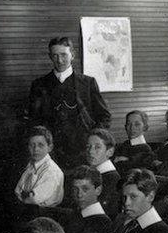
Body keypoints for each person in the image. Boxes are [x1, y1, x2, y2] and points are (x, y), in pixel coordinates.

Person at [27, 36, 111, 167]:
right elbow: (34, 121)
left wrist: (93, 142)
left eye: (63, 55)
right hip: (51, 154)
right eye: (55, 56)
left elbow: (104, 117)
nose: (59, 60)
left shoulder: (88, 83)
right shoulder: (39, 85)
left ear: (73, 55)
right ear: (50, 56)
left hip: (83, 153)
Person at [64, 166, 113, 233]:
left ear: (98, 190)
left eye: (85, 189)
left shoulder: (102, 222)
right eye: (75, 189)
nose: (79, 195)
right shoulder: (73, 214)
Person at [14, 126, 64, 207]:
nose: (35, 149)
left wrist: (26, 194)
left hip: (45, 213)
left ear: (50, 147)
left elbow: (33, 199)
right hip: (27, 209)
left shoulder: (52, 171)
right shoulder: (32, 165)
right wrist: (26, 194)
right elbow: (17, 191)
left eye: (40, 145)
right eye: (32, 145)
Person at [85, 128, 122, 217]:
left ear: (110, 152)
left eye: (97, 147)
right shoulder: (91, 173)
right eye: (88, 146)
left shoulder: (112, 178)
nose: (90, 151)